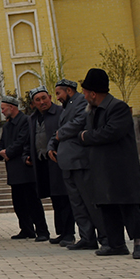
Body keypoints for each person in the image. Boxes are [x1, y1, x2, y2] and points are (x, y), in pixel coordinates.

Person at [78, 68, 140, 259]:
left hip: (121, 168)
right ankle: (115, 244)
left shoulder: (118, 107)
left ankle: (139, 243)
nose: (83, 96)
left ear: (93, 93)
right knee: (107, 206)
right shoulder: (92, 111)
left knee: (129, 206)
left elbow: (111, 132)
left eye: (84, 92)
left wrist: (86, 136)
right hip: (101, 167)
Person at [49, 79, 106, 251]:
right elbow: (58, 132)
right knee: (77, 204)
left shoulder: (81, 102)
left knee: (90, 202)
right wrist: (52, 144)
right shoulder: (67, 106)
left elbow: (79, 122)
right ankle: (87, 237)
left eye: (59, 93)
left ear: (69, 91)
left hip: (80, 160)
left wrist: (60, 134)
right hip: (67, 163)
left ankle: (105, 237)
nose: (57, 98)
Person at [28, 86, 75, 246]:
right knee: (55, 198)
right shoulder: (33, 118)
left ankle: (69, 233)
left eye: (44, 98)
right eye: (38, 100)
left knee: (64, 197)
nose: (42, 102)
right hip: (42, 162)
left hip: (58, 161)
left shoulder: (60, 113)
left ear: (49, 97)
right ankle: (61, 231)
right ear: (33, 103)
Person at [0, 96, 49, 241]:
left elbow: (22, 141)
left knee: (32, 202)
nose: (2, 111)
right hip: (13, 170)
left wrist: (8, 152)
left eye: (3, 108)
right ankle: (26, 229)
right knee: (18, 203)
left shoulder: (26, 120)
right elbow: (0, 143)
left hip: (25, 169)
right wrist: (1, 151)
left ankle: (42, 231)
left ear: (11, 107)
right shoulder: (7, 125)